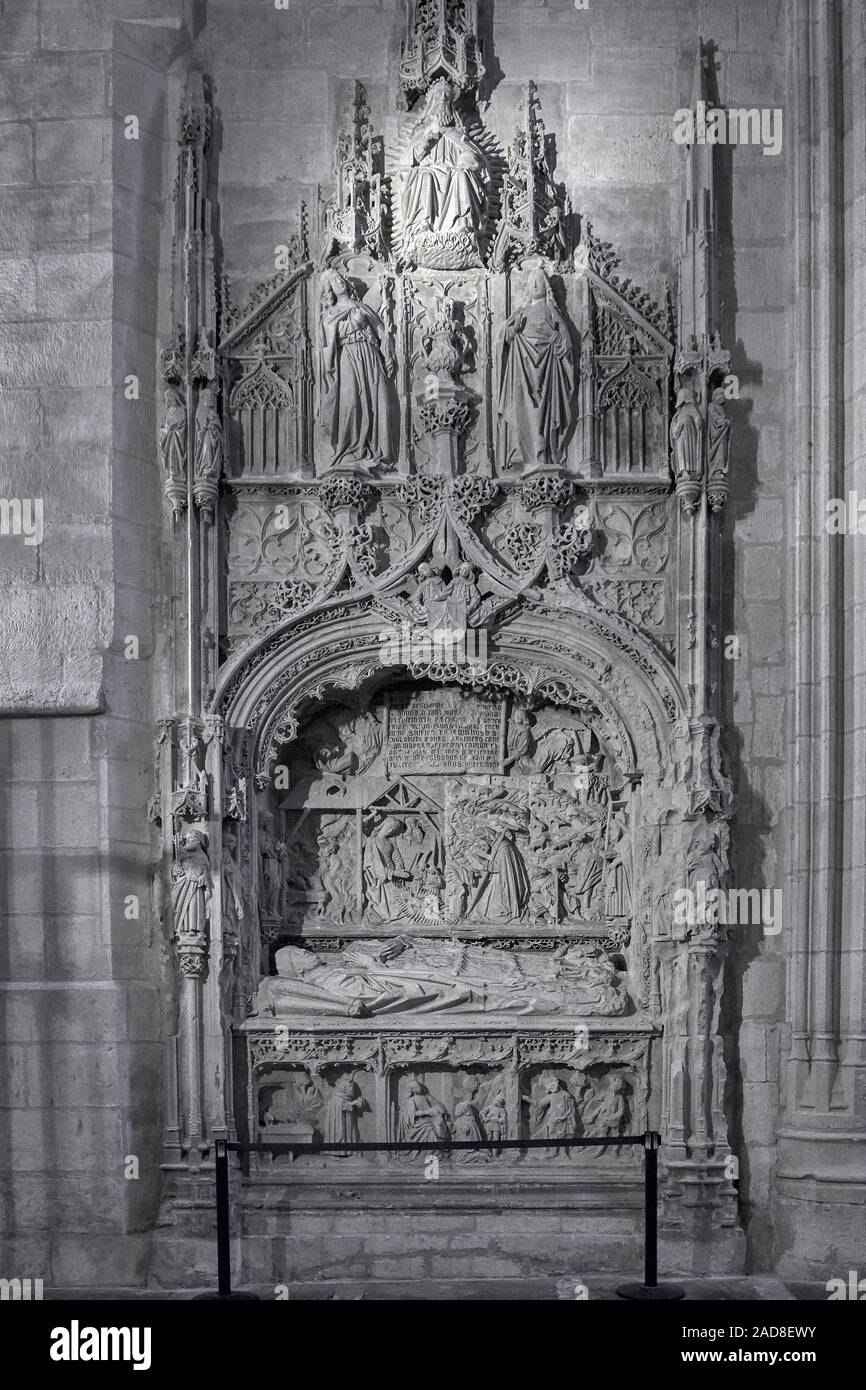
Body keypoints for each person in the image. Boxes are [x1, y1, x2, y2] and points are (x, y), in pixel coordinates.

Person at [498, 267, 574, 469]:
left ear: (546, 286)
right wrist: (514, 329)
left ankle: (546, 453)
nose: (533, 285)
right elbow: (506, 337)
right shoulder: (521, 312)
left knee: (546, 414)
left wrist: (555, 339)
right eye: (530, 282)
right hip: (523, 370)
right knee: (523, 407)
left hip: (549, 371)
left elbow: (565, 342)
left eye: (538, 281)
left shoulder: (552, 311)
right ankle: (525, 453)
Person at [319, 269, 395, 467]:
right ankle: (350, 448)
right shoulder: (330, 314)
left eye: (341, 277)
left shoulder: (361, 307)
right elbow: (328, 343)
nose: (340, 281)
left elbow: (381, 331)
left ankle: (373, 448)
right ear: (331, 290)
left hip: (369, 354)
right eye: (335, 280)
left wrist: (387, 353)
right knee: (350, 401)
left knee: (377, 401)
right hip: (347, 355)